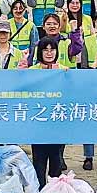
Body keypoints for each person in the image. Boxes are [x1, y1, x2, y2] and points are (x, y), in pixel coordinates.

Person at [28, 38, 69, 181]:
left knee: (56, 165)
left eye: (52, 50)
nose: (49, 53)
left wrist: (66, 75)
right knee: (38, 164)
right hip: (37, 125)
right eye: (46, 50)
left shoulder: (63, 70)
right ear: (40, 52)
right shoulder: (32, 71)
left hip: (57, 125)